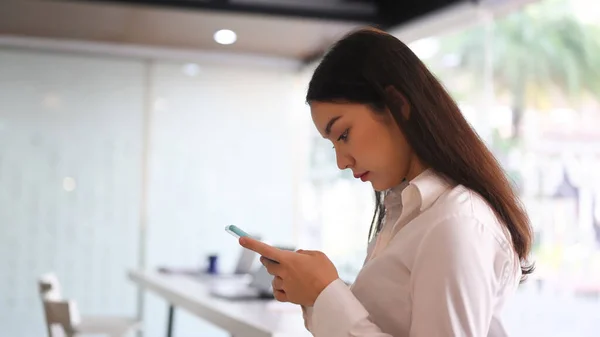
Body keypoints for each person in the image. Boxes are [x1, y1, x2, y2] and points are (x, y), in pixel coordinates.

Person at [240, 27, 534, 337]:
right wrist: (315, 294)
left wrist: (325, 292)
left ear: (397, 105)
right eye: (333, 144)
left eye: (343, 134)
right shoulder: (406, 211)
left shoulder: (455, 221)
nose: (342, 161)